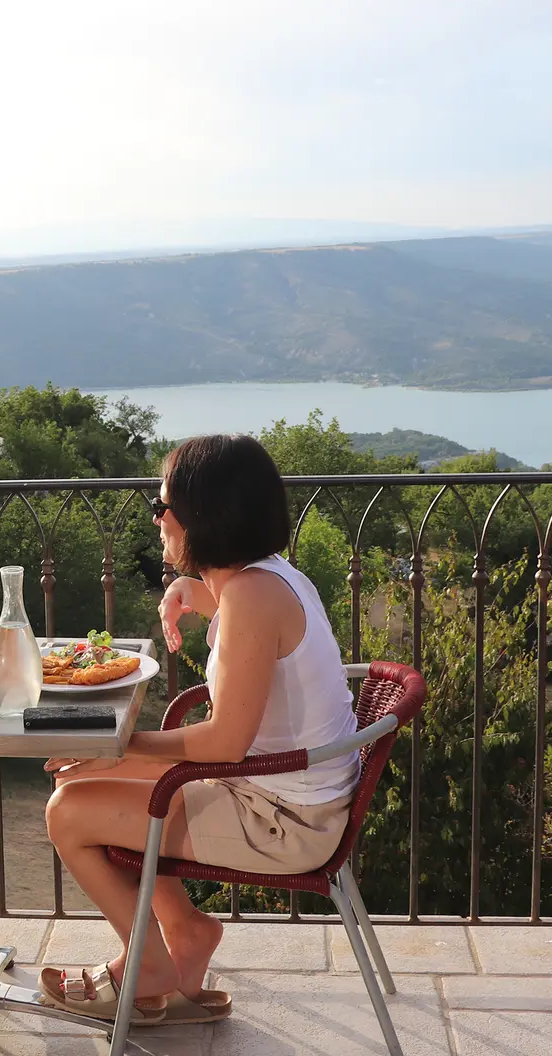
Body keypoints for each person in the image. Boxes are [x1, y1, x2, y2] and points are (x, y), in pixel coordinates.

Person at [38, 433, 361, 1026]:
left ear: (200, 517)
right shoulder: (268, 580)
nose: (158, 520)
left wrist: (115, 750)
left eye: (162, 508)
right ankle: (184, 934)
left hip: (284, 821)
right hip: (284, 794)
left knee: (68, 811)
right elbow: (263, 641)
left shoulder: (250, 598)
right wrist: (201, 591)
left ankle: (151, 962)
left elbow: (221, 744)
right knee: (80, 793)